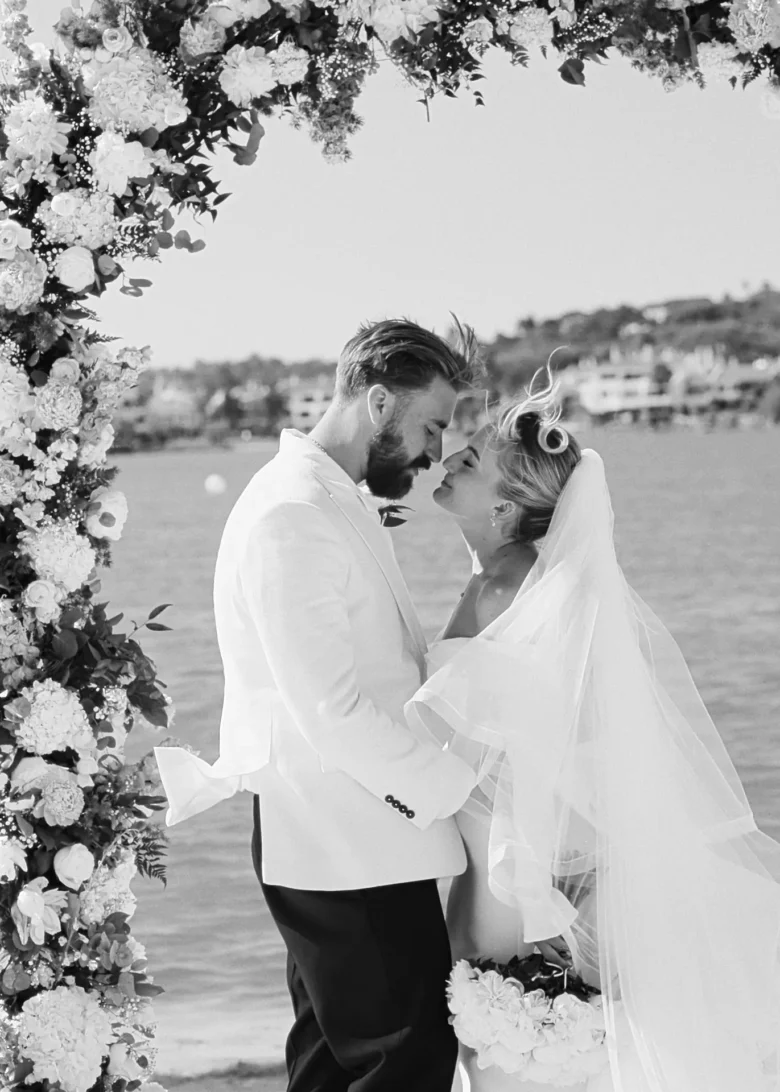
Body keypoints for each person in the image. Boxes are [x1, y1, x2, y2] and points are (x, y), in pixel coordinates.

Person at [406, 369, 780, 1092]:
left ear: (509, 505)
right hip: (546, 861)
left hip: (509, 870)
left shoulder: (503, 588)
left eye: (471, 461)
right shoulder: (540, 582)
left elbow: (497, 741)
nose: (449, 459)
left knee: (504, 1049)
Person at [156, 318, 485, 1092]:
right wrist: (455, 791)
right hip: (342, 840)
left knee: (332, 1063)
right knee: (403, 1060)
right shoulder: (292, 514)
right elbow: (330, 711)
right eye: (431, 425)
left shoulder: (326, 499)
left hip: (351, 834)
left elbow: (381, 669)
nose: (436, 451)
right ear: (378, 402)